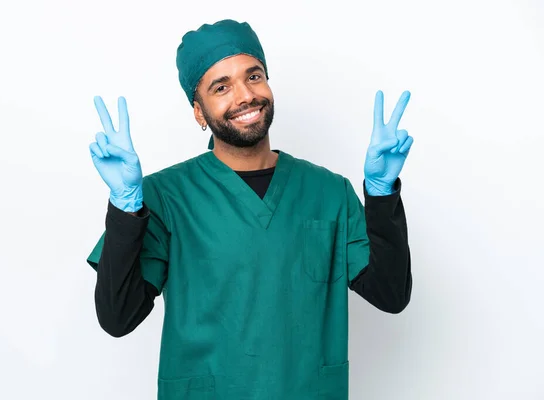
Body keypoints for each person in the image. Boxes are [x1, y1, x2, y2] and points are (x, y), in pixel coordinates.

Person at [86, 19, 414, 400]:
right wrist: (125, 208)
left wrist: (381, 193)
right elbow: (117, 317)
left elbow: (391, 296)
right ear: (198, 111)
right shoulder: (164, 197)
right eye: (221, 87)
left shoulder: (329, 192)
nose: (244, 95)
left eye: (253, 76)